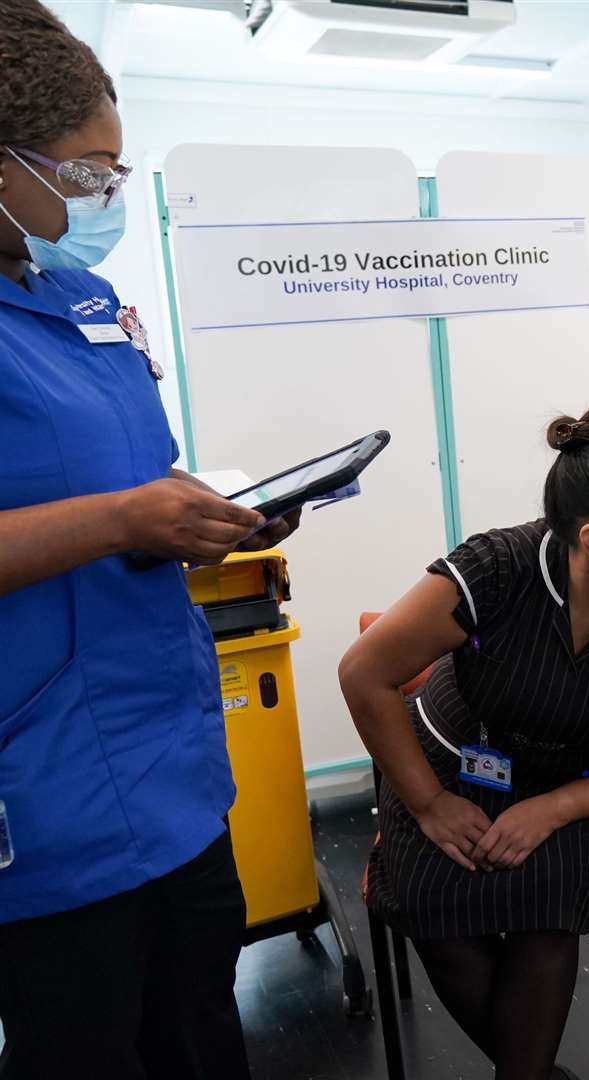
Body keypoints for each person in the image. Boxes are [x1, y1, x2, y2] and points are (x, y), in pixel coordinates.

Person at [0, 4, 302, 1077]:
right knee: (84, 1047)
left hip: (166, 755)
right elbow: (109, 506)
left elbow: (137, 478)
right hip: (40, 789)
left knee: (199, 1032)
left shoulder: (84, 303)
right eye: (85, 176)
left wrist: (210, 517)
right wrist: (123, 519)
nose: (107, 200)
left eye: (116, 173)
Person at [340, 400, 589, 1080]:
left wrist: (556, 810)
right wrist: (427, 803)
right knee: (433, 908)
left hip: (574, 786)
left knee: (547, 919)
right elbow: (364, 672)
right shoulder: (497, 569)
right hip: (452, 766)